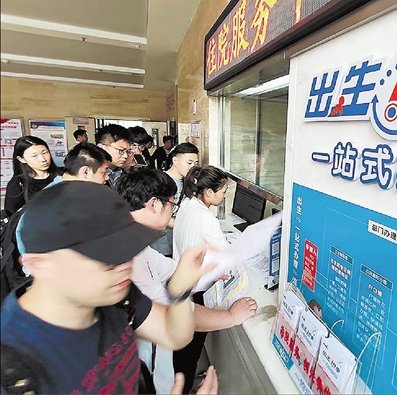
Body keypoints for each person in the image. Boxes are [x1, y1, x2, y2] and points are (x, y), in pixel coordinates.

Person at [1, 181, 216, 394]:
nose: (124, 266)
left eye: (126, 249)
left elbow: (172, 334)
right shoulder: (13, 368)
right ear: (39, 264)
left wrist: (180, 290)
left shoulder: (114, 294)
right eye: (104, 256)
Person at [115, 168, 257, 394]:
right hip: (143, 373)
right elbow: (170, 316)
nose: (172, 211)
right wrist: (231, 317)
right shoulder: (128, 260)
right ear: (154, 204)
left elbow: (171, 271)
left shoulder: (138, 246)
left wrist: (205, 273)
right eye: (171, 205)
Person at [172, 165, 230, 394]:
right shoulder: (206, 218)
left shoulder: (187, 204)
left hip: (180, 281)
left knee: (182, 347)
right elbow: (227, 253)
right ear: (208, 192)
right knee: (191, 348)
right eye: (223, 192)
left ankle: (181, 382)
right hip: (194, 291)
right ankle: (184, 388)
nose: (224, 196)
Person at [149, 142, 200, 257]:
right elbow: (158, 216)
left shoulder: (187, 182)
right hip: (162, 245)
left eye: (195, 163)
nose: (193, 167)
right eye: (189, 163)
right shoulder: (161, 181)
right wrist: (188, 226)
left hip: (178, 243)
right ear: (175, 161)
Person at [3, 136, 60, 216]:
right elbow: (12, 215)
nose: (43, 159)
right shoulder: (17, 184)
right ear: (21, 159)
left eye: (45, 153)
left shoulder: (63, 175)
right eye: (34, 156)